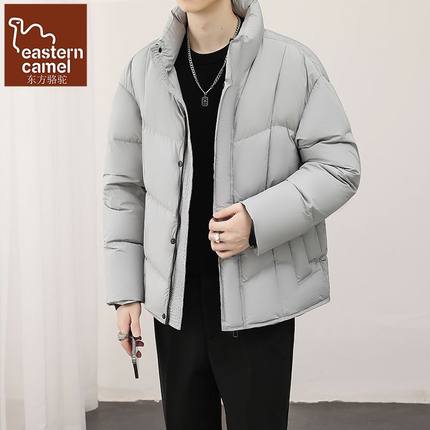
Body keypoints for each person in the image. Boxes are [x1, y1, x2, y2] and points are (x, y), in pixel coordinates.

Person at [102, 0, 361, 429]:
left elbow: (339, 167)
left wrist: (256, 221)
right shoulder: (143, 71)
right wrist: (126, 291)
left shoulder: (292, 64)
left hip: (259, 304)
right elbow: (124, 187)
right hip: (177, 310)